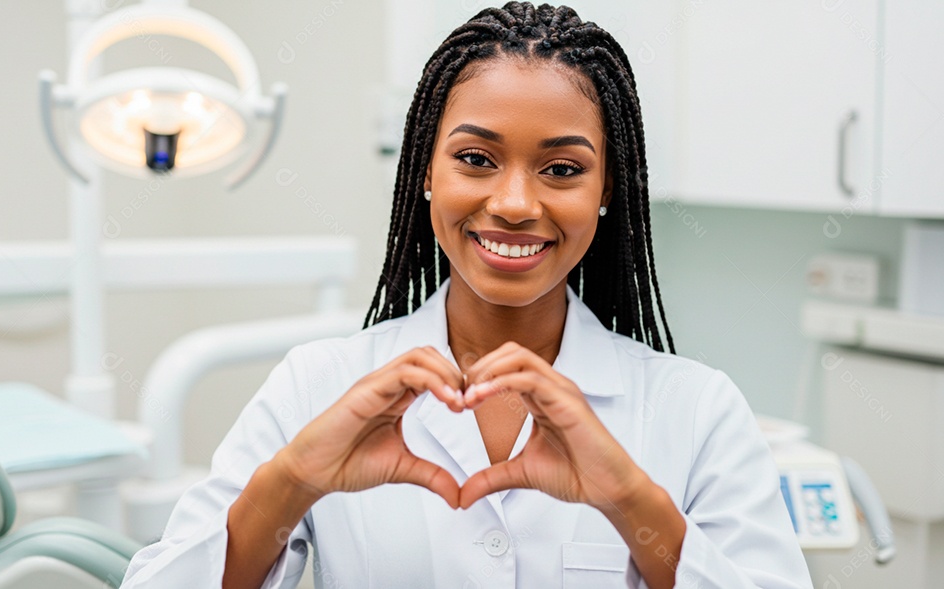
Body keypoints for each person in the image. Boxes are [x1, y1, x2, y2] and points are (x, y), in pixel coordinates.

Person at [120, 3, 812, 588]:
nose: (513, 203)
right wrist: (294, 480)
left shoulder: (695, 409)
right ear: (426, 169)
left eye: (562, 169)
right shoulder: (317, 384)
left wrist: (629, 499)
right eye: (476, 159)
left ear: (607, 192)